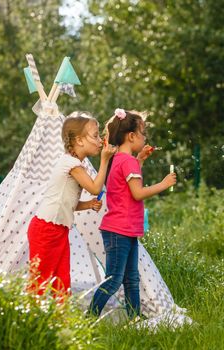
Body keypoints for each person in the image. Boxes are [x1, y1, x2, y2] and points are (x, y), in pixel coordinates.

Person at [90, 108, 176, 319]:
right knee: (114, 279)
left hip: (122, 230)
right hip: (121, 230)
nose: (145, 137)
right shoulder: (127, 162)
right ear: (131, 136)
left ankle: (135, 320)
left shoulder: (120, 159)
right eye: (143, 132)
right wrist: (163, 184)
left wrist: (140, 160)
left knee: (131, 279)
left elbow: (125, 185)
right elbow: (137, 193)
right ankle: (89, 318)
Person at [27, 111, 116, 299]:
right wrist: (104, 160)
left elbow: (67, 203)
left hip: (57, 229)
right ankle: (30, 321)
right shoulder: (72, 164)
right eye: (95, 136)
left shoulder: (72, 163)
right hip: (47, 229)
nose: (100, 140)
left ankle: (61, 322)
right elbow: (94, 187)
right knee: (41, 281)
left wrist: (89, 205)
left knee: (61, 280)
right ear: (79, 140)